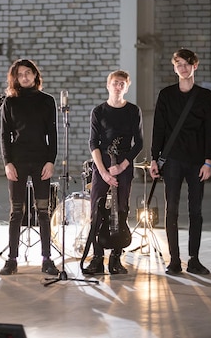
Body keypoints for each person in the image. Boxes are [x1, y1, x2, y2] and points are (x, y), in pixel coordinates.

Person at [149, 48, 211, 276]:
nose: (183, 68)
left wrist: (208, 160)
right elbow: (158, 128)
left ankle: (194, 259)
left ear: (194, 66)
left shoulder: (205, 96)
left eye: (187, 64)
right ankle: (175, 260)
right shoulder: (166, 95)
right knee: (172, 211)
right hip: (173, 161)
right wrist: (153, 158)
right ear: (174, 67)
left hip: (197, 161)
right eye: (179, 64)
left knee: (195, 211)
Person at [0, 58, 60, 276]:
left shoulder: (47, 101)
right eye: (20, 74)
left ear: (35, 75)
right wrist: (7, 163)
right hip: (17, 162)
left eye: (28, 73)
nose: (24, 77)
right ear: (15, 78)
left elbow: (52, 134)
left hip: (41, 161)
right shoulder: (10, 102)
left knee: (43, 211)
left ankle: (47, 259)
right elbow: (5, 135)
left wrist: (51, 160)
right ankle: (12, 259)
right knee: (16, 212)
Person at [83, 70, 143, 275]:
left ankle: (116, 258)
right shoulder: (98, 111)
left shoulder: (133, 111)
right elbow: (93, 143)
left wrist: (123, 165)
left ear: (127, 87)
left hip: (123, 164)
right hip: (102, 164)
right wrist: (103, 172)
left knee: (121, 209)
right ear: (108, 85)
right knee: (96, 211)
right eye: (115, 83)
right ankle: (97, 258)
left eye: (122, 84)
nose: (118, 87)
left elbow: (139, 143)